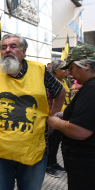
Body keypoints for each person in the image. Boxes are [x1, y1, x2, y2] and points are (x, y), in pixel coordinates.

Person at [0, 34, 65, 190]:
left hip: (33, 150)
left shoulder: (40, 70)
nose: (7, 50)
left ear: (24, 51)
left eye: (13, 46)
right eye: (4, 47)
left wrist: (51, 119)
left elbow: (60, 93)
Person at [47, 44, 95, 190]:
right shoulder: (88, 86)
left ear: (86, 65)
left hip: (86, 165)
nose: (69, 73)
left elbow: (80, 131)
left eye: (72, 68)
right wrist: (65, 115)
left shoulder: (92, 89)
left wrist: (55, 122)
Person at [45, 60, 71, 177]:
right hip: (54, 117)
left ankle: (54, 162)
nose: (66, 70)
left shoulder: (65, 81)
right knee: (51, 142)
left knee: (56, 142)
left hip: (63, 117)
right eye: (63, 68)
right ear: (55, 70)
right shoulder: (52, 82)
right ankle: (47, 165)